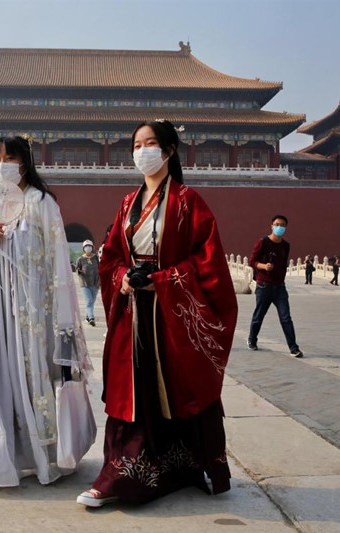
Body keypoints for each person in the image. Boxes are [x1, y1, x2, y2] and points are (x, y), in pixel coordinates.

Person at [78, 120, 238, 508]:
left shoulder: (188, 201)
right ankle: (119, 476)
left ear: (168, 151)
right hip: (134, 311)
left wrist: (165, 280)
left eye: (150, 143)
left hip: (172, 315)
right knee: (130, 387)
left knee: (179, 384)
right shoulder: (127, 204)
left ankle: (182, 466)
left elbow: (208, 261)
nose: (142, 150)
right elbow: (112, 254)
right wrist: (122, 279)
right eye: (136, 144)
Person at [0, 136, 93, 490]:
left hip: (33, 311)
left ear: (25, 161)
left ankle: (42, 458)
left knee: (34, 377)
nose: (2, 163)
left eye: (10, 156)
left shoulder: (41, 202)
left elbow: (59, 259)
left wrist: (62, 315)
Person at [247, 215, 303, 358]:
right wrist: (264, 266)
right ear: (271, 226)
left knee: (286, 318)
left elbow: (283, 265)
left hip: (279, 287)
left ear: (285, 228)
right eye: (277, 224)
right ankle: (252, 340)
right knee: (258, 316)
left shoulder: (286, 245)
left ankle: (293, 348)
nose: (279, 227)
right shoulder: (263, 242)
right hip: (264, 286)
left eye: (282, 225)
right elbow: (252, 261)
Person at [75, 239, 99, 326]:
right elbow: (77, 269)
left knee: (92, 302)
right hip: (85, 284)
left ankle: (87, 317)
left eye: (89, 246)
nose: (88, 248)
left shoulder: (96, 258)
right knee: (89, 301)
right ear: (83, 248)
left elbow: (101, 268)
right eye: (86, 247)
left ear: (92, 248)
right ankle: (91, 318)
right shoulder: (80, 259)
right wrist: (79, 271)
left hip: (95, 283)